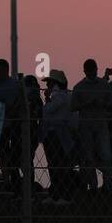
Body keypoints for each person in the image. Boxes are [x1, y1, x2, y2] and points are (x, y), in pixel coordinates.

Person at [72, 58, 112, 189]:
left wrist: (102, 104)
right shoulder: (78, 87)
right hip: (86, 127)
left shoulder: (104, 85)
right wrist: (87, 104)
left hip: (101, 125)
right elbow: (72, 107)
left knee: (105, 154)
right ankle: (93, 185)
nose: (92, 73)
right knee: (88, 157)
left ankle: (108, 184)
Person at [0, 59, 24, 193]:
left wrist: (8, 110)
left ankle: (16, 181)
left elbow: (20, 105)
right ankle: (6, 181)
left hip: (13, 126)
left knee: (15, 156)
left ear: (6, 70)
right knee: (3, 154)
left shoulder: (16, 85)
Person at [40, 70, 78, 203]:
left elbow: (48, 110)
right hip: (54, 134)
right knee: (55, 164)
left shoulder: (60, 96)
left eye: (50, 82)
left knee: (59, 164)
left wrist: (48, 99)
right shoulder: (64, 95)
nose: (48, 86)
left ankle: (63, 195)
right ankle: (56, 193)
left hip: (58, 134)